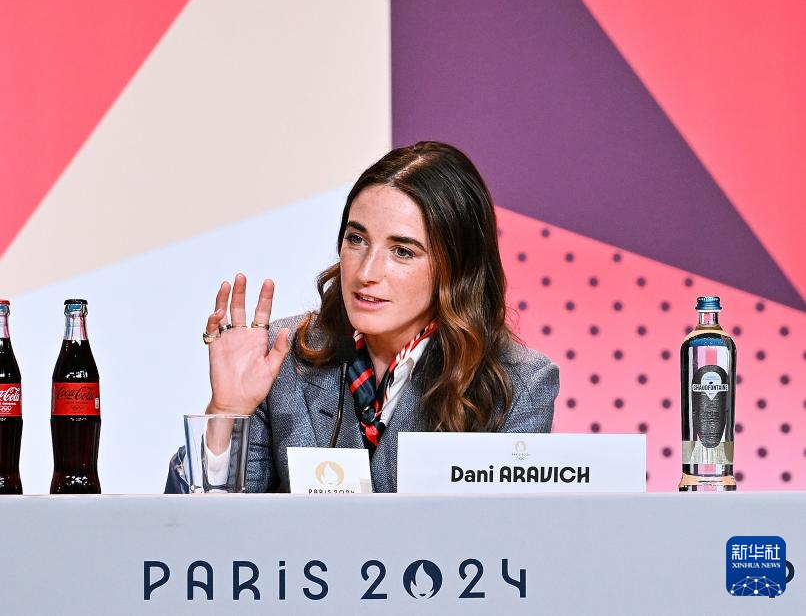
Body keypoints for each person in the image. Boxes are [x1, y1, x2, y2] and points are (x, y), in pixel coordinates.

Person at [165, 141, 559, 493]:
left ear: (457, 269)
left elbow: (506, 541)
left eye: (402, 251)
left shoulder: (516, 385)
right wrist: (226, 413)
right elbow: (202, 534)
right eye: (357, 239)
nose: (367, 271)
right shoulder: (281, 356)